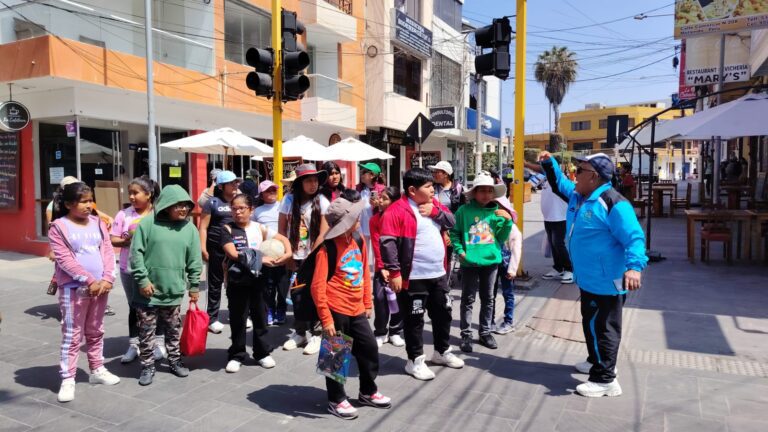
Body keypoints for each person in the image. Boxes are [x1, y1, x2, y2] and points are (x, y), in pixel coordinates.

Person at [539, 151, 647, 398]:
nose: (575, 176)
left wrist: (634, 267)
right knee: (590, 322)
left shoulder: (613, 202)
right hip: (588, 278)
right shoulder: (580, 196)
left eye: (580, 171)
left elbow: (634, 238)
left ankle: (605, 379)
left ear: (595, 176)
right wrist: (549, 163)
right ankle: (595, 360)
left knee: (605, 327)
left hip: (607, 279)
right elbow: (559, 184)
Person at [310, 195, 392, 419]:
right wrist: (326, 319)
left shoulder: (357, 238)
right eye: (355, 217)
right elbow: (317, 287)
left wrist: (367, 302)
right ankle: (336, 399)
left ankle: (368, 391)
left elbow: (365, 271)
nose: (359, 219)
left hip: (356, 308)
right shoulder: (326, 249)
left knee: (369, 349)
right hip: (335, 308)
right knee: (335, 355)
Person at [380, 168, 463, 381]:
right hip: (414, 278)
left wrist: (436, 213)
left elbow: (452, 222)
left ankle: (441, 352)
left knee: (443, 313)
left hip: (438, 274)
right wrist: (394, 272)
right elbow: (387, 243)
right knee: (415, 319)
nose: (433, 190)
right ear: (412, 190)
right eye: (427, 187)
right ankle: (415, 361)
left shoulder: (434, 205)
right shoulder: (396, 210)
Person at [49, 182, 119, 403]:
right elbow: (64, 259)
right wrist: (89, 280)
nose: (90, 205)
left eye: (91, 200)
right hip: (74, 289)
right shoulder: (58, 227)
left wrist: (108, 278)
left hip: (100, 287)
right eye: (84, 201)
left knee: (96, 330)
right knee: (72, 334)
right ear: (69, 204)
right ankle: (68, 378)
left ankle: (97, 369)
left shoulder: (98, 223)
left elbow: (107, 250)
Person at [130, 185, 203, 386]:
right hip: (147, 292)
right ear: (167, 205)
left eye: (186, 206)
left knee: (172, 330)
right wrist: (143, 280)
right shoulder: (147, 224)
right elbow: (136, 255)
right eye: (178, 205)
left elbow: (194, 260)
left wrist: (194, 286)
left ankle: (174, 361)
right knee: (146, 333)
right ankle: (147, 366)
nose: (183, 210)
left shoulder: (190, 229)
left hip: (173, 290)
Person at [222, 194, 292, 373]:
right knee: (238, 319)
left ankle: (262, 353)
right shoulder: (227, 229)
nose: (237, 212)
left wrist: (288, 253)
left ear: (251, 210)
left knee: (261, 318)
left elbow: (283, 239)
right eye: (234, 208)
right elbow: (233, 254)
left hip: (259, 281)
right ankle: (237, 354)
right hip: (237, 282)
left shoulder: (259, 228)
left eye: (241, 208)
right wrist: (261, 258)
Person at [449, 171, 513, 353]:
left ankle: (485, 332)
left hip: (491, 262)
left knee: (488, 298)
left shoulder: (497, 212)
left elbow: (500, 238)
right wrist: (460, 252)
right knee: (468, 299)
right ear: (474, 192)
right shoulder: (463, 211)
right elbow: (454, 233)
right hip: (469, 262)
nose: (486, 194)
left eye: (489, 190)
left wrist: (507, 222)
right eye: (482, 190)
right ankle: (466, 334)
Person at [110, 176, 165, 364]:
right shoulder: (123, 215)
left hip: (155, 269)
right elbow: (113, 239)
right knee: (135, 307)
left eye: (136, 193)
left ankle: (159, 343)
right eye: (130, 192)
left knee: (157, 306)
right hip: (129, 269)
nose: (131, 196)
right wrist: (128, 241)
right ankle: (134, 345)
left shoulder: (159, 215)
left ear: (148, 194)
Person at [279, 164, 331, 355]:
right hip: (294, 256)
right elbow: (281, 231)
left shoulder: (322, 201)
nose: (313, 184)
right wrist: (288, 255)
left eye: (315, 180)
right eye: (308, 180)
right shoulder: (288, 200)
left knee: (316, 295)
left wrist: (311, 257)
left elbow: (324, 233)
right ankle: (300, 332)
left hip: (315, 256)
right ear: (300, 183)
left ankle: (317, 333)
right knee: (297, 296)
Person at [199, 170, 238, 334]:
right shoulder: (212, 203)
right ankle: (212, 318)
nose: (235, 185)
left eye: (236, 182)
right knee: (215, 285)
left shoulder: (239, 201)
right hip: (215, 248)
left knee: (236, 282)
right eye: (232, 183)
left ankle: (236, 314)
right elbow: (203, 227)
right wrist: (202, 248)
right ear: (222, 186)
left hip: (236, 249)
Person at [526, 160, 574, 284]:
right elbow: (535, 179)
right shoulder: (546, 179)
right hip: (549, 218)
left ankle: (569, 269)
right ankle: (558, 268)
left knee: (559, 243)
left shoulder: (559, 177)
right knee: (553, 244)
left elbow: (542, 169)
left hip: (560, 217)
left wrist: (526, 164)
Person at [369, 187, 405, 348]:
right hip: (382, 267)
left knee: (399, 299)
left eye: (385, 198)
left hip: (400, 266)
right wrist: (383, 267)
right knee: (380, 299)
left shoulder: (402, 217)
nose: (380, 201)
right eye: (380, 198)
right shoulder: (375, 219)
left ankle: (395, 330)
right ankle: (380, 331)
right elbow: (377, 244)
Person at [253, 180, 287, 326]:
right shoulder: (257, 211)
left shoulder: (283, 206)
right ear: (261, 194)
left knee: (282, 283)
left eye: (274, 189)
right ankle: (270, 310)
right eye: (268, 190)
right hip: (265, 252)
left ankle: (281, 309)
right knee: (268, 284)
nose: (272, 192)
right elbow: (254, 230)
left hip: (283, 250)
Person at [491, 196, 522, 335]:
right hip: (492, 265)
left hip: (506, 265)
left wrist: (513, 269)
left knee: (508, 294)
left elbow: (516, 250)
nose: (496, 211)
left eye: (499, 208)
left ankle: (508, 322)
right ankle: (489, 321)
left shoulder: (513, 229)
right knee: (490, 294)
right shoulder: (491, 224)